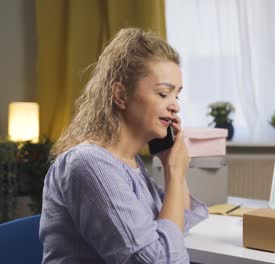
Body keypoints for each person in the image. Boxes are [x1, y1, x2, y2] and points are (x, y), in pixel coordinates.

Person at [39, 28, 208, 263]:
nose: (175, 107)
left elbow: (180, 226)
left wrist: (174, 165)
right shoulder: (90, 164)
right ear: (120, 95)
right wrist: (175, 173)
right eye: (162, 94)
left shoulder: (130, 162)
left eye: (176, 96)